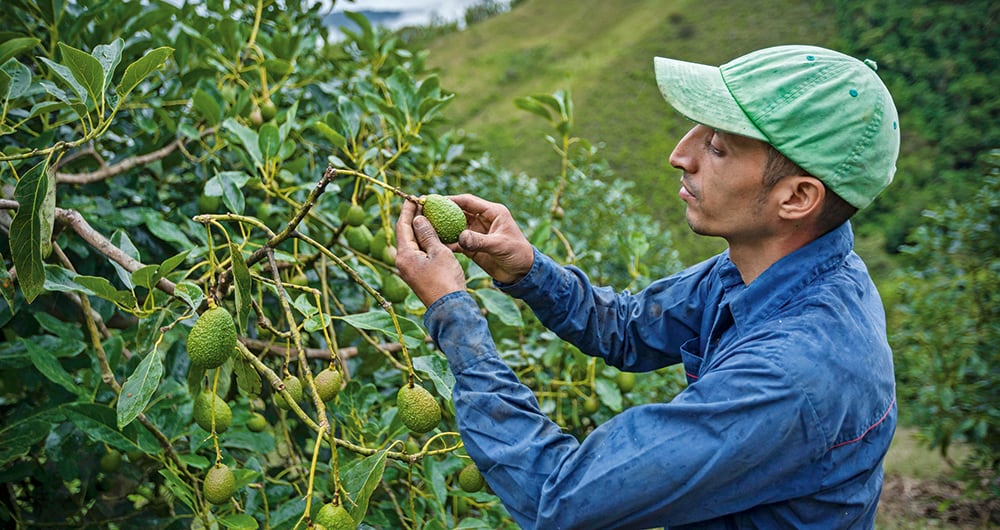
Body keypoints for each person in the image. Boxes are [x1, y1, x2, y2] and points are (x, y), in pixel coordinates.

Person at [394, 44, 899, 529]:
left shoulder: (792, 376)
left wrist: (452, 313)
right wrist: (525, 269)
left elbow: (562, 498)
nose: (680, 154)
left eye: (719, 147)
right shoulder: (768, 269)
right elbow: (629, 327)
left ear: (797, 198)